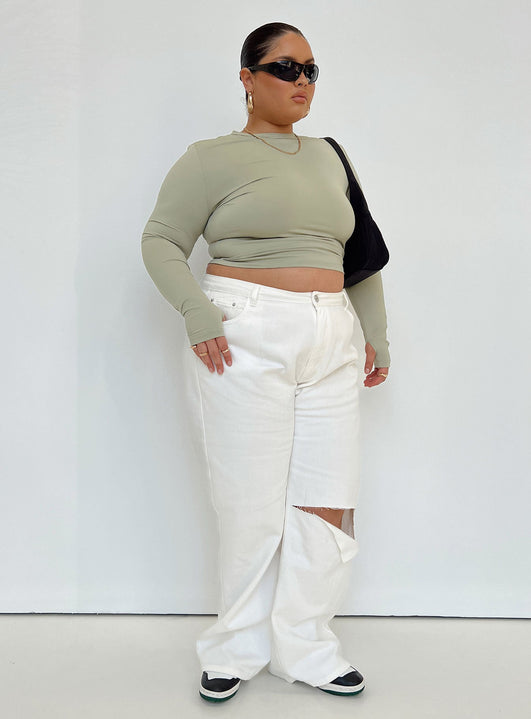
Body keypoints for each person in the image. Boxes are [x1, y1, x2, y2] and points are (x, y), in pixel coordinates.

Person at [141, 21, 391, 703]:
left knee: (327, 498)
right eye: (285, 68)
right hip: (244, 330)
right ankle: (235, 646)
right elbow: (161, 239)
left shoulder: (332, 157)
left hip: (331, 333)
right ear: (248, 78)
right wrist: (196, 312)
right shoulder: (210, 158)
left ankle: (305, 646)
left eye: (311, 69)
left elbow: (360, 257)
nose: (301, 81)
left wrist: (375, 333)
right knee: (249, 501)